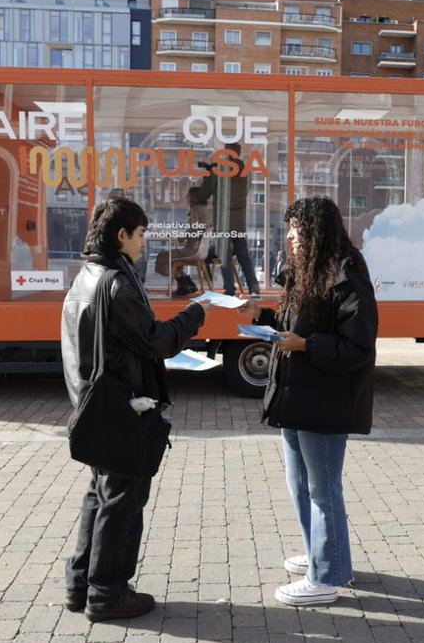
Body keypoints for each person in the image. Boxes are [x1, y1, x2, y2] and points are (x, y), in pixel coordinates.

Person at [61, 198, 210, 621]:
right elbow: (155, 341)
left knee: (101, 495)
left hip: (97, 406)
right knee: (122, 501)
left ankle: (80, 586)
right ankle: (108, 593)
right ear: (121, 235)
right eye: (141, 234)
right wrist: (195, 313)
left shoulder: (86, 277)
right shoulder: (115, 282)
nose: (146, 242)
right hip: (123, 408)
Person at [237, 195, 378, 607]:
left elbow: (357, 347)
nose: (291, 238)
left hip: (325, 400)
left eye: (296, 231)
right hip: (297, 396)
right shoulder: (308, 272)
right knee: (300, 484)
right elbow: (290, 326)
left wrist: (307, 345)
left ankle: (326, 576)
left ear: (316, 232)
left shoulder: (347, 277)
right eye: (289, 230)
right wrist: (262, 318)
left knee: (322, 489)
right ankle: (325, 557)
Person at [199, 141, 259, 297]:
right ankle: (254, 288)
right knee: (243, 255)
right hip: (239, 220)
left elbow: (203, 194)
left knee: (224, 256)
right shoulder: (246, 171)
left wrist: (207, 176)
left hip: (223, 220)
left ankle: (230, 290)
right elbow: (246, 190)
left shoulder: (218, 169)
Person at [152, 186, 209, 296]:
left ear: (193, 196)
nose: (186, 197)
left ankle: (183, 285)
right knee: (173, 261)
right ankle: (188, 283)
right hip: (199, 250)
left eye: (188, 195)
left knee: (162, 257)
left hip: (192, 250)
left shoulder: (194, 209)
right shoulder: (203, 209)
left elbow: (194, 229)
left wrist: (180, 238)